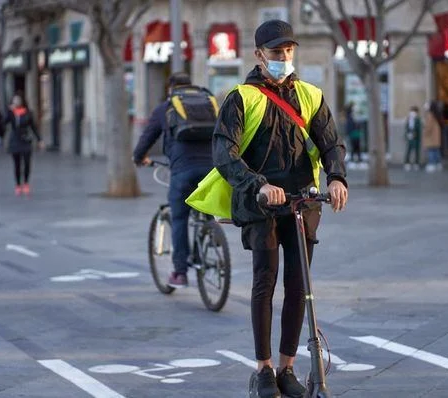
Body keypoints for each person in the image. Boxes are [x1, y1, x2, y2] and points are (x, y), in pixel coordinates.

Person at [210, 20, 348, 398]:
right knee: (264, 282)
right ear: (258, 55)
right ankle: (263, 369)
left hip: (303, 201)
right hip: (262, 202)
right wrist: (258, 184)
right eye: (275, 52)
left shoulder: (310, 95)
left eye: (288, 51)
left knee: (299, 286)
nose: (283, 58)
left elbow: (332, 143)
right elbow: (224, 153)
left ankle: (288, 366)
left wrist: (337, 178)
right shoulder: (241, 98)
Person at [133, 72, 213, 288]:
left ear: (171, 89)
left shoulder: (165, 108)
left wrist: (139, 157)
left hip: (183, 169)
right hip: (213, 169)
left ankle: (180, 272)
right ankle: (209, 242)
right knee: (207, 211)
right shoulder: (208, 103)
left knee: (179, 217)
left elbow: (148, 136)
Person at [5, 93, 43, 196]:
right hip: (15, 140)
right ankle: (18, 185)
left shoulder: (28, 113)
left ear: (22, 101)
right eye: (15, 100)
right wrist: (9, 111)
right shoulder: (11, 113)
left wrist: (39, 139)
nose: (17, 102)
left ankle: (26, 183)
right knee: (17, 164)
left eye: (18, 100)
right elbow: (4, 122)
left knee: (27, 163)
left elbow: (33, 127)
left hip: (25, 140)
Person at [422, 101, 442, 172]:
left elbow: (428, 126)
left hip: (431, 135)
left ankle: (432, 164)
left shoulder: (429, 115)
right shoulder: (436, 114)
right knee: (436, 150)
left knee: (431, 150)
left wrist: (425, 132)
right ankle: (438, 163)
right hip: (435, 135)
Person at [404, 105, 421, 171]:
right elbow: (406, 128)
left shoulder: (418, 119)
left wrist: (415, 134)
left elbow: (419, 129)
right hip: (410, 137)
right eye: (411, 111)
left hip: (416, 138)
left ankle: (416, 163)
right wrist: (407, 135)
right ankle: (407, 163)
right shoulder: (408, 119)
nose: (412, 113)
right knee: (408, 150)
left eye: (414, 111)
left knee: (417, 151)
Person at [345, 102, 362, 167]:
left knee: (356, 146)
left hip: (355, 133)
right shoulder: (350, 116)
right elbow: (350, 125)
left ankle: (356, 158)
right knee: (355, 146)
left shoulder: (351, 116)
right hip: (354, 133)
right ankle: (356, 158)